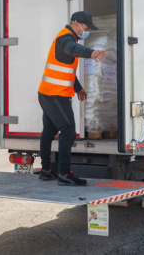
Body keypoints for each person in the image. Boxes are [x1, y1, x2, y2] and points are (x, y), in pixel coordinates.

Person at [37, 11, 107, 186]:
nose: (86, 31)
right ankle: (65, 173)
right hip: (55, 95)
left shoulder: (67, 37)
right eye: (85, 27)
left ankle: (46, 170)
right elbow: (71, 49)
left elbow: (64, 70)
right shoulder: (66, 39)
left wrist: (78, 88)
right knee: (68, 129)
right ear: (75, 24)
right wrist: (91, 52)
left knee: (49, 130)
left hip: (48, 92)